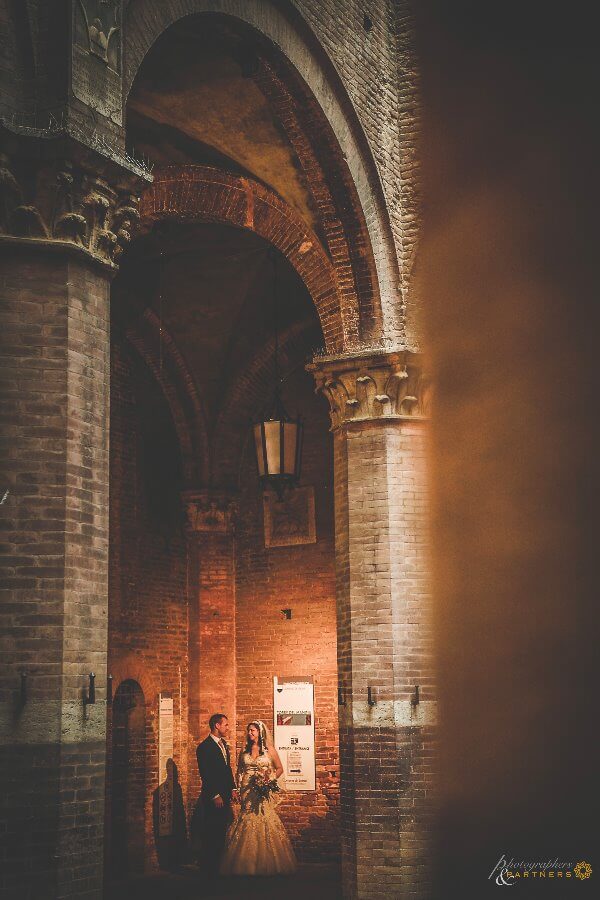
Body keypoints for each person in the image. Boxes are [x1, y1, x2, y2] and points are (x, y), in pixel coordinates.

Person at [220, 720, 297, 876]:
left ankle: (264, 861)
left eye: (253, 730)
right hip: (247, 790)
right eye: (249, 730)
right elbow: (239, 770)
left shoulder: (269, 750)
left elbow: (279, 768)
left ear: (260, 732)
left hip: (262, 788)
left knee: (262, 816)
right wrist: (238, 787)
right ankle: (244, 863)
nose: (250, 733)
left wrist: (269, 780)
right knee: (246, 817)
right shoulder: (245, 751)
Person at [196, 713, 239, 877]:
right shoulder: (204, 747)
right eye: (225, 725)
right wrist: (215, 795)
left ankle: (217, 867)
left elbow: (227, 770)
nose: (228, 728)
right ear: (217, 725)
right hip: (213, 797)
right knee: (211, 831)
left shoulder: (223, 745)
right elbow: (206, 774)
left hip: (225, 795)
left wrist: (233, 789)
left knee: (221, 830)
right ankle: (208, 869)